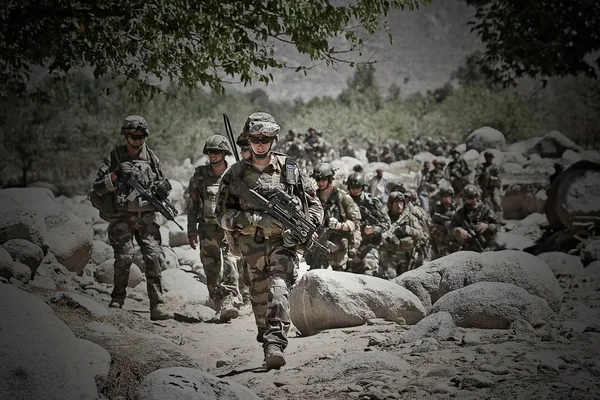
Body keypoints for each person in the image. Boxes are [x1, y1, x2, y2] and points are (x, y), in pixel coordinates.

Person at [216, 112, 323, 369]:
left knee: (279, 287)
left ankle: (275, 343)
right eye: (255, 139)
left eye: (265, 138)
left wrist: (311, 226)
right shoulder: (235, 175)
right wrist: (254, 219)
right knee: (258, 296)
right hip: (251, 246)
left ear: (273, 139)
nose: (260, 143)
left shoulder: (290, 169)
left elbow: (314, 204)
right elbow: (221, 217)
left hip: (282, 243)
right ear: (248, 139)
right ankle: (266, 337)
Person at [92, 115, 172, 320]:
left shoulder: (152, 158)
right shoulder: (115, 157)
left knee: (154, 258)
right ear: (125, 136)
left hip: (146, 218)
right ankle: (118, 298)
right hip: (122, 217)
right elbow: (98, 188)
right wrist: (116, 174)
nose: (137, 141)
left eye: (141, 137)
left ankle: (157, 305)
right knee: (124, 258)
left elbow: (162, 184)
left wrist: (164, 188)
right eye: (133, 137)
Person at [187, 135, 246, 322]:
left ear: (224, 153)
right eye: (210, 152)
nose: (212, 155)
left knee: (231, 264)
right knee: (211, 270)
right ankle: (218, 301)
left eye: (217, 152)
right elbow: (193, 204)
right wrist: (191, 230)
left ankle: (230, 300)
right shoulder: (200, 175)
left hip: (229, 229)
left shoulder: (234, 174)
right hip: (207, 228)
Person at [308, 163, 361, 272]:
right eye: (317, 180)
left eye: (323, 179)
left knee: (340, 276)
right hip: (319, 241)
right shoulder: (313, 197)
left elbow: (355, 222)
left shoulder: (343, 198)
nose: (320, 183)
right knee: (316, 272)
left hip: (338, 244)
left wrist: (341, 225)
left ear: (330, 179)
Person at [346, 172, 391, 276]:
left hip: (369, 246)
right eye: (352, 187)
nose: (355, 190)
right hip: (350, 246)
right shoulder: (344, 201)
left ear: (363, 187)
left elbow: (387, 224)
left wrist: (374, 229)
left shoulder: (372, 202)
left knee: (369, 272)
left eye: (358, 187)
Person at [380, 192, 428, 278]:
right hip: (389, 254)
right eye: (396, 203)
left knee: (405, 279)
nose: (399, 206)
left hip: (406, 255)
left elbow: (421, 234)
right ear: (391, 204)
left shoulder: (409, 217)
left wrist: (407, 229)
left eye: (401, 203)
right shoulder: (384, 217)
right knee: (390, 277)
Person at [450, 184, 500, 252]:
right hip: (467, 248)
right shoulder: (461, 212)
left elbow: (498, 225)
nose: (469, 201)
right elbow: (452, 227)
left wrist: (487, 226)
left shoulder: (486, 210)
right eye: (467, 198)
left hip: (485, 246)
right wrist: (459, 230)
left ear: (477, 196)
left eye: (471, 198)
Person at [430, 186, 458, 259]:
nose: (446, 199)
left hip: (454, 238)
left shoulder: (457, 208)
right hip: (440, 238)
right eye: (444, 197)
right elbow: (431, 222)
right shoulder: (437, 208)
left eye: (448, 196)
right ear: (441, 198)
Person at [475, 150, 503, 220]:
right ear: (486, 158)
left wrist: (500, 188)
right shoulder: (481, 166)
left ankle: (499, 219)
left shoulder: (494, 166)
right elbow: (476, 178)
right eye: (488, 157)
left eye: (491, 157)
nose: (490, 159)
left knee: (498, 203)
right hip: (485, 189)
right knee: (485, 205)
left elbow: (499, 178)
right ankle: (486, 219)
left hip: (494, 188)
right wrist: (478, 187)